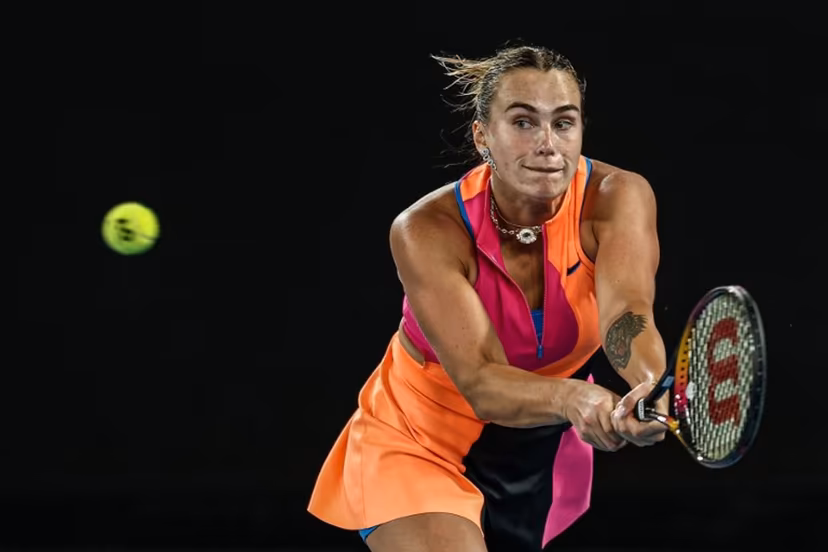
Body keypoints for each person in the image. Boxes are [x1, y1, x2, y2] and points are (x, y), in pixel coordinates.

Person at [308, 44, 671, 552]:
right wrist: (576, 397)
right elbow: (480, 380)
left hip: (536, 445)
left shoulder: (618, 196)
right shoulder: (427, 229)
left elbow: (626, 315)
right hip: (423, 438)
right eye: (523, 122)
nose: (548, 144)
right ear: (483, 135)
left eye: (564, 123)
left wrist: (651, 386)